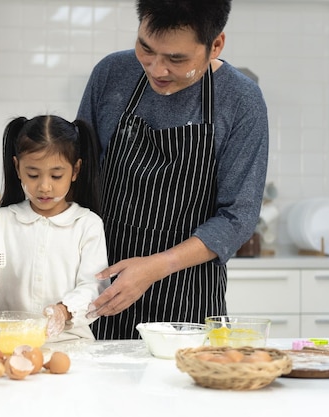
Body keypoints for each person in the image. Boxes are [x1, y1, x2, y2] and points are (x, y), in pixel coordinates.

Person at [77, 0, 268, 339]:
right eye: (146, 49)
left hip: (187, 302)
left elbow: (237, 217)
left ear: (216, 45)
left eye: (176, 59)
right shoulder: (112, 74)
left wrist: (152, 268)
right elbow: (76, 174)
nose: (156, 69)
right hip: (97, 288)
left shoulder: (241, 101)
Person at [0, 115, 109, 341]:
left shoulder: (87, 224)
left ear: (75, 170)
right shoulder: (2, 220)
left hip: (72, 344)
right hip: (11, 343)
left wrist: (63, 310)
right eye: (33, 174)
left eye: (56, 176)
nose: (44, 186)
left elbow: (94, 287)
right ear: (17, 168)